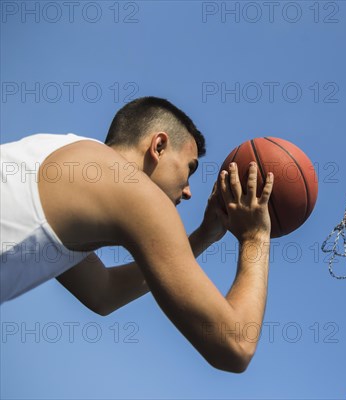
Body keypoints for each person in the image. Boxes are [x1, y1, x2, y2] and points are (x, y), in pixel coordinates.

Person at [0, 96, 274, 373]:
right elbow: (235, 347)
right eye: (188, 169)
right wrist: (256, 237)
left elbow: (103, 292)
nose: (189, 191)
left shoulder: (59, 150)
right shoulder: (134, 189)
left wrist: (203, 236)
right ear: (159, 146)